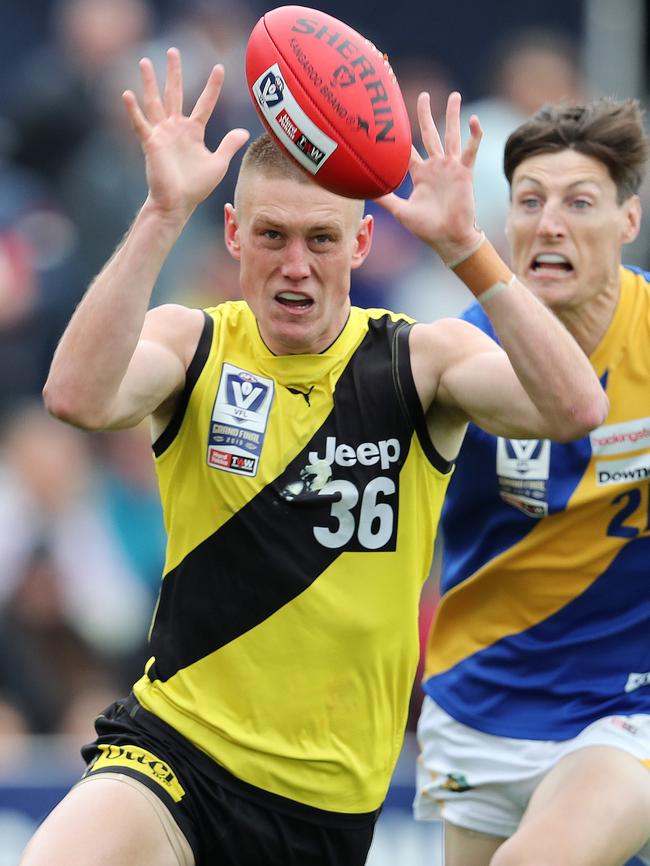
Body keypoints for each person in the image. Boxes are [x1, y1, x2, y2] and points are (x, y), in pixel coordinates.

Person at [22, 47, 607, 866]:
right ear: (233, 234)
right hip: (174, 756)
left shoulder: (419, 363)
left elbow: (576, 406)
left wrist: (468, 245)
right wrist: (160, 213)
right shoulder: (193, 345)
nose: (296, 265)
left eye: (321, 240)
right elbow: (75, 397)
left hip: (326, 808)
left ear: (363, 242)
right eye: (271, 236)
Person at [415, 98, 650, 866]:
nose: (550, 224)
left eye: (580, 203)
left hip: (627, 702)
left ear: (628, 221)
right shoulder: (458, 358)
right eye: (529, 202)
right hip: (483, 698)